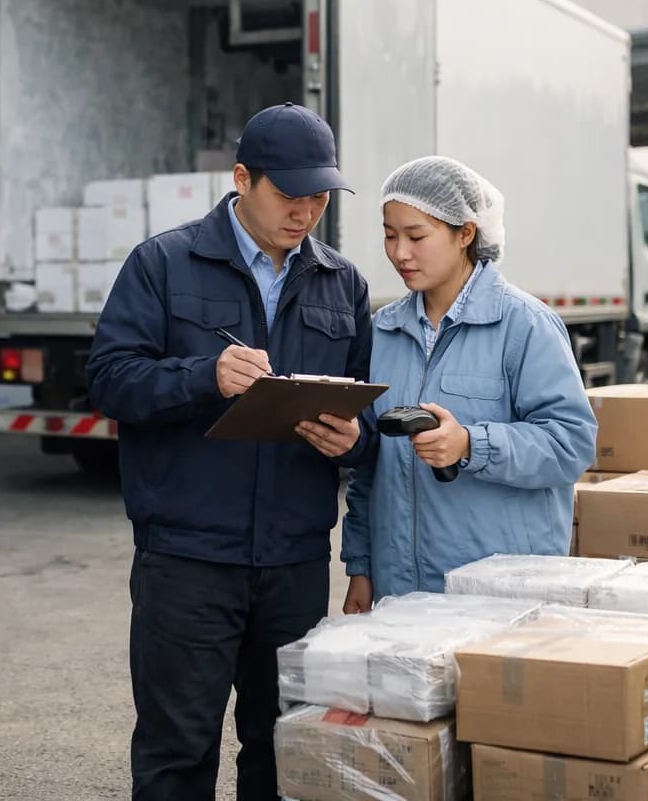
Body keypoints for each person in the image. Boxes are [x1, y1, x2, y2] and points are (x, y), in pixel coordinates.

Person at [86, 103, 379, 801]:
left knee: (282, 745)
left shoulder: (343, 283)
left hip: (294, 563)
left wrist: (354, 440)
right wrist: (202, 376)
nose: (305, 211)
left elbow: (363, 415)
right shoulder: (164, 262)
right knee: (177, 749)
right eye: (289, 194)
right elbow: (107, 379)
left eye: (319, 196)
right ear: (242, 178)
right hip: (188, 559)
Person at [340, 156, 597, 611]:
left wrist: (470, 445)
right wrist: (361, 566)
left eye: (417, 236)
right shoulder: (382, 333)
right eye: (389, 234)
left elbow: (571, 445)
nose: (400, 252)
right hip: (401, 594)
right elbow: (370, 468)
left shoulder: (524, 326)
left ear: (466, 234)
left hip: (499, 596)